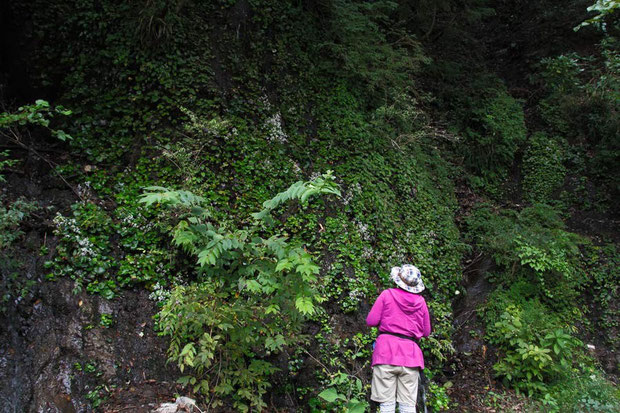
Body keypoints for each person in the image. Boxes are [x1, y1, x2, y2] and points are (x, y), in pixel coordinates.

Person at [366, 264, 431, 413]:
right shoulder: (421, 302)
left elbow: (371, 321)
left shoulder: (387, 295)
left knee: (386, 404)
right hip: (410, 356)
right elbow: (426, 332)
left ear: (397, 280)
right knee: (408, 406)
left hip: (385, 353)